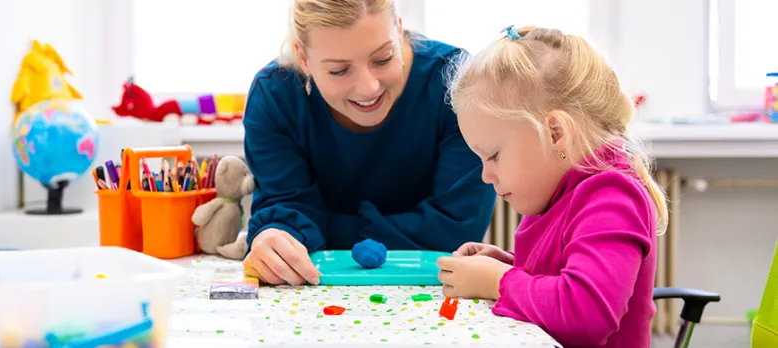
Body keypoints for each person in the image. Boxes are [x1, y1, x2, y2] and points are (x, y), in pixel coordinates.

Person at [437, 26, 668, 348]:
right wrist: (509, 264)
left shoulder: (612, 197)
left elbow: (585, 315)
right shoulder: (560, 190)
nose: (485, 176)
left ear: (556, 132)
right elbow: (564, 276)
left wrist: (498, 281)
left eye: (493, 156)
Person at [241, 0, 496, 287]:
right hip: (316, 290)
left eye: (383, 58)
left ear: (399, 32)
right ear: (303, 59)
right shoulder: (274, 96)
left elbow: (455, 228)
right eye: (339, 70)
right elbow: (285, 213)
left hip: (435, 287)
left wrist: (321, 227)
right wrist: (273, 238)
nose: (368, 87)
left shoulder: (458, 83)